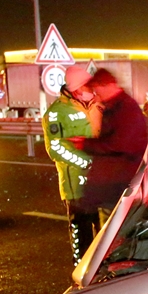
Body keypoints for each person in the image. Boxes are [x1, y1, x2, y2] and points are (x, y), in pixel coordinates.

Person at [74, 68, 148, 223]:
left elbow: (119, 144)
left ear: (107, 85)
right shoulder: (116, 106)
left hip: (119, 183)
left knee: (112, 230)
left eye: (97, 90)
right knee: (111, 227)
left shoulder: (126, 108)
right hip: (114, 183)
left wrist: (86, 144)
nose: (95, 95)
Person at [43, 65, 98, 264]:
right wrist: (89, 163)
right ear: (76, 88)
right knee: (82, 238)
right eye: (87, 85)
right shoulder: (57, 112)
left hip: (102, 185)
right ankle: (81, 278)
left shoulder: (95, 105)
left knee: (106, 237)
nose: (92, 89)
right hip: (77, 188)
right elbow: (57, 148)